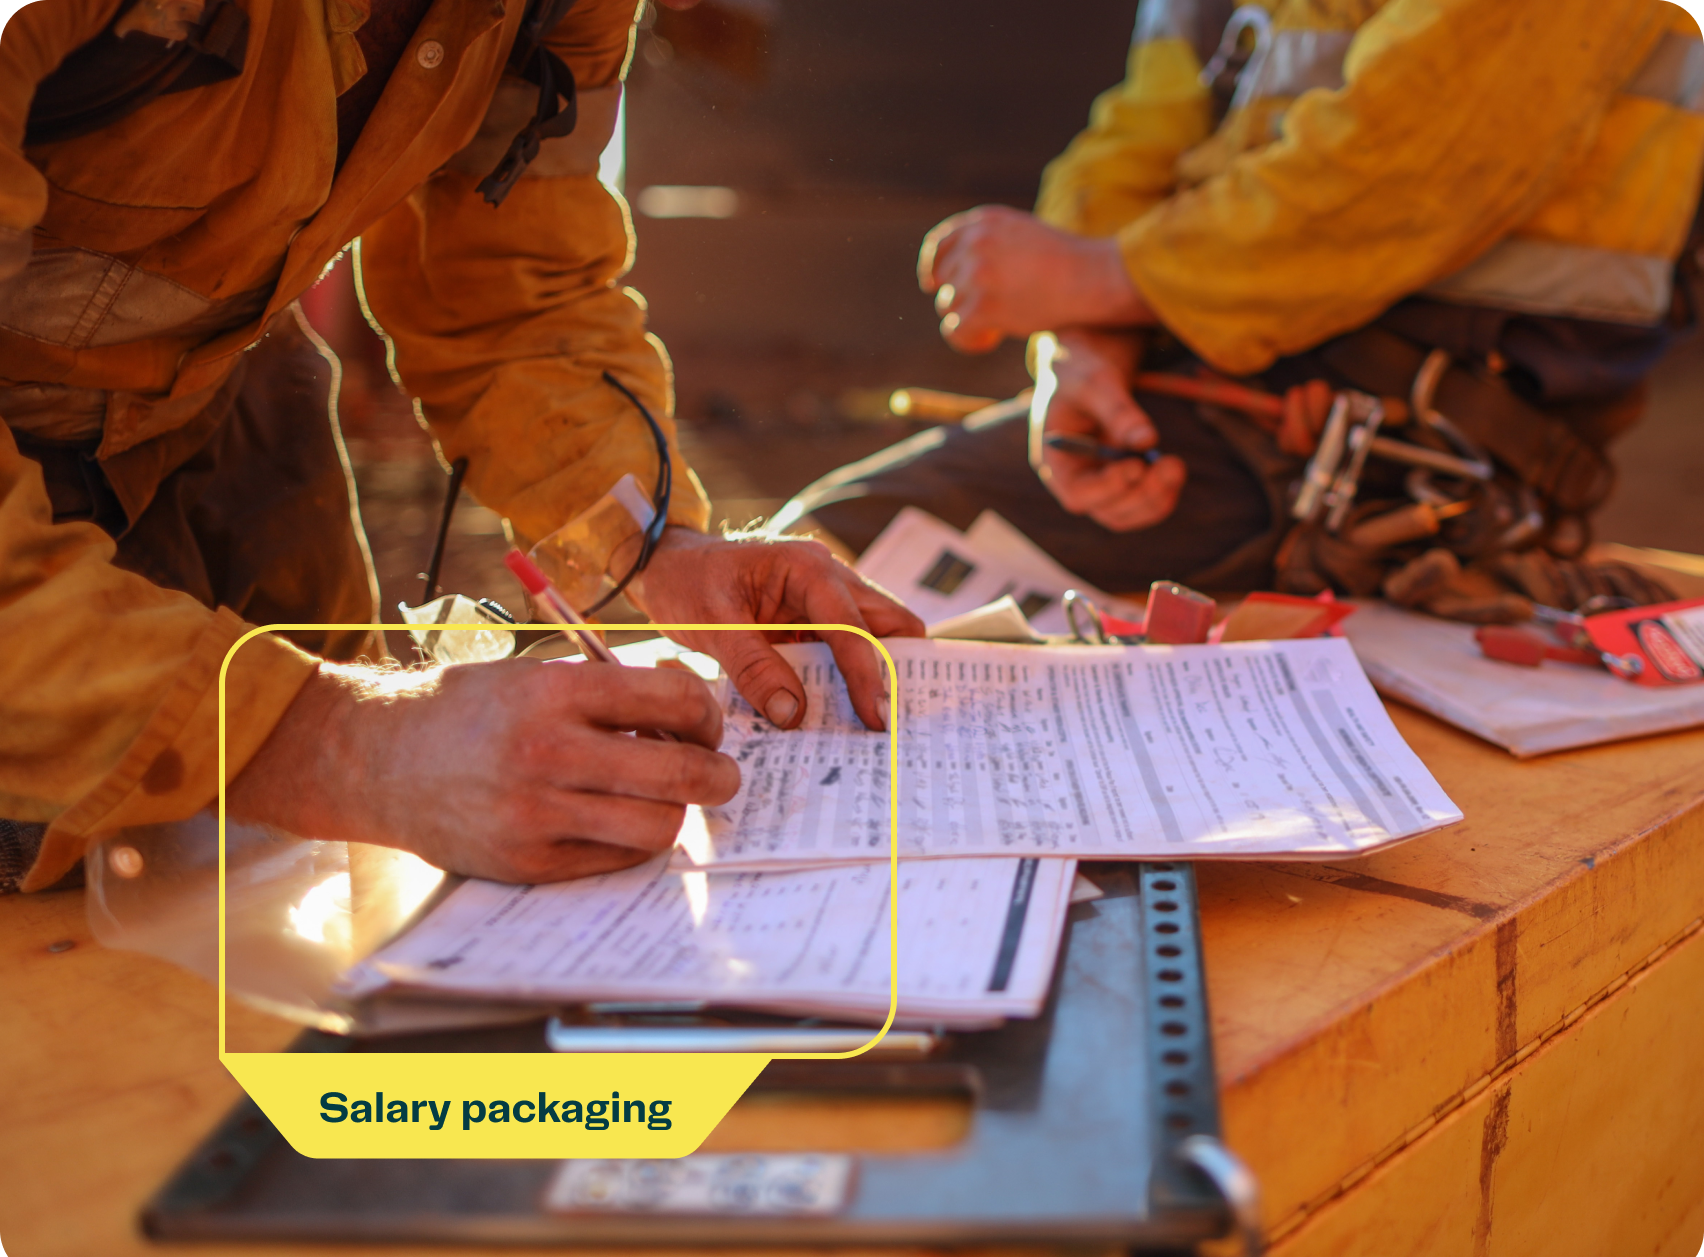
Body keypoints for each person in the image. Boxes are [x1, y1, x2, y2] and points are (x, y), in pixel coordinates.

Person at [0, 0, 921, 895]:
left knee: (287, 902)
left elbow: (512, 290)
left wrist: (656, 546)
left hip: (226, 421)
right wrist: (345, 744)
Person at [779, 0, 1703, 618]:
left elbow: (1422, 159)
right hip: (1210, 400)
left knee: (826, 562)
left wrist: (1101, 277)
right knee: (802, 574)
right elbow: (1138, 133)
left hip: (1419, 451)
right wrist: (1085, 350)